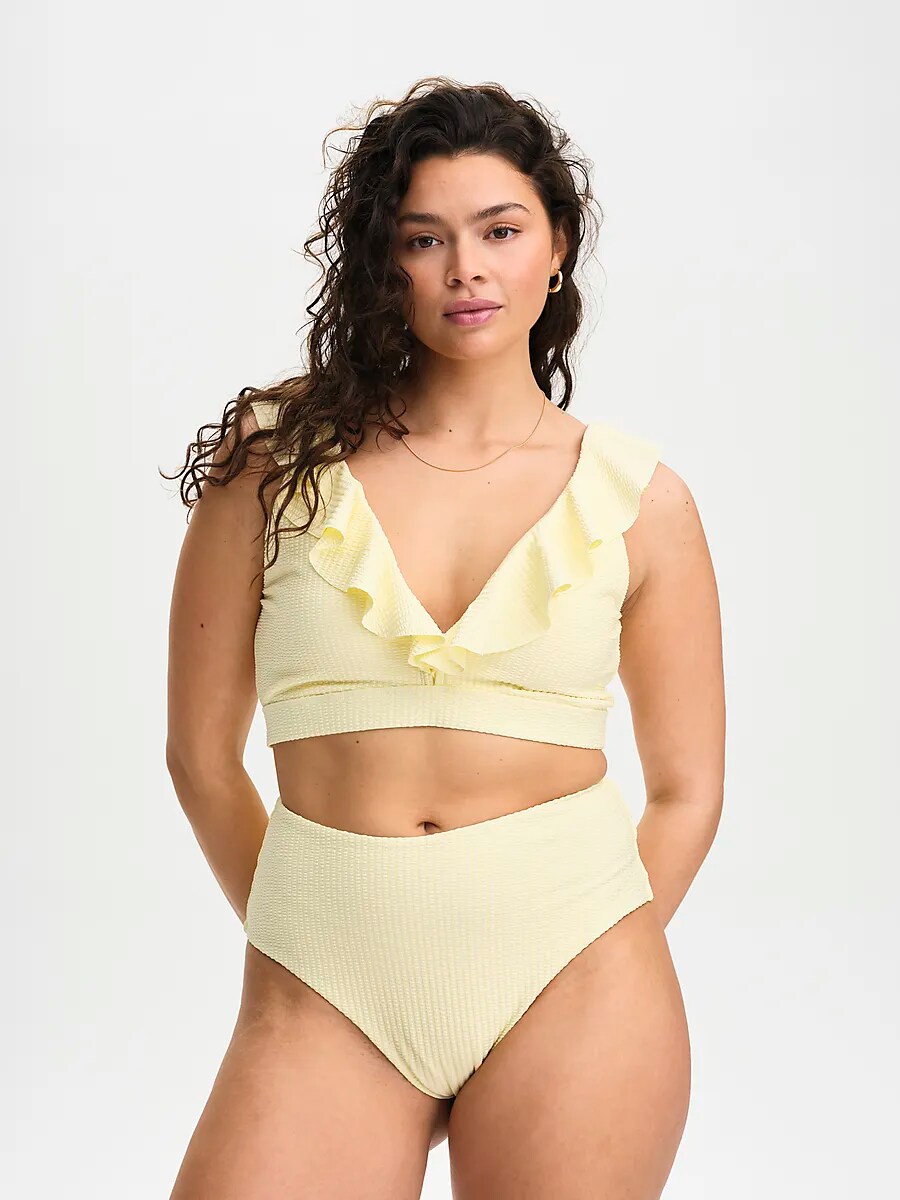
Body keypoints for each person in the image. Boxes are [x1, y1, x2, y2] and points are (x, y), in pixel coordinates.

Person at [162, 76, 725, 1199]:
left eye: (500, 231)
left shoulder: (640, 500)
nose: (466, 268)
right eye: (425, 239)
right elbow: (199, 757)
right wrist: (319, 930)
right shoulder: (274, 463)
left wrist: (575, 943)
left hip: (580, 979)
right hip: (324, 976)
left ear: (557, 250)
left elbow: (687, 791)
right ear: (386, 263)